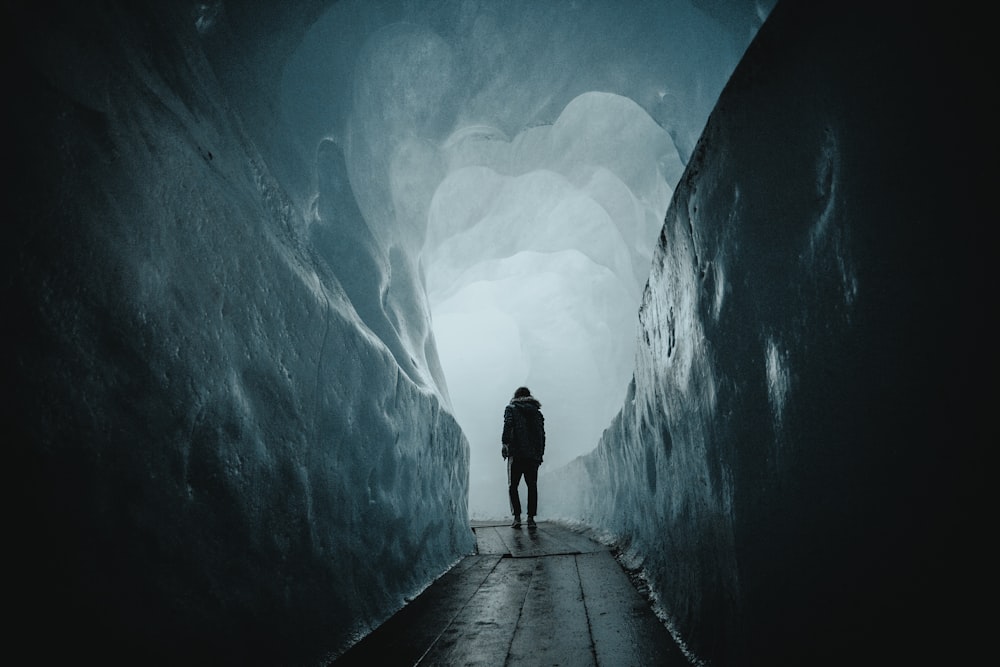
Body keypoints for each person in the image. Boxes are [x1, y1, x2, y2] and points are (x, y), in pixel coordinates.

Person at [501, 386, 545, 528]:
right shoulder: (537, 413)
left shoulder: (511, 408)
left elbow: (508, 425)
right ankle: (531, 519)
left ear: (516, 395)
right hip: (533, 456)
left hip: (516, 453)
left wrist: (505, 444)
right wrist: (540, 454)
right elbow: (542, 435)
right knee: (532, 486)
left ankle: (517, 518)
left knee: (513, 486)